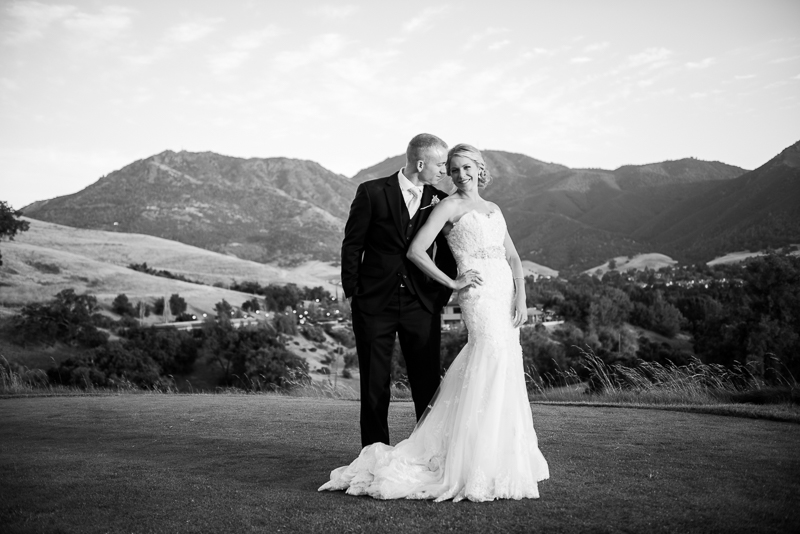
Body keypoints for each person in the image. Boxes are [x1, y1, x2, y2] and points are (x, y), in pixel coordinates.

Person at [320, 144, 549, 502]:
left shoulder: (478, 205)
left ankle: (492, 454)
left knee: (483, 371)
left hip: (483, 297)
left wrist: (520, 296)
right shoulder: (429, 202)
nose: (455, 174)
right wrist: (452, 284)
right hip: (427, 299)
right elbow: (388, 247)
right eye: (450, 167)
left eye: (463, 167)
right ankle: (384, 453)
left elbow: (512, 256)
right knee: (385, 381)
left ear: (480, 168)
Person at [340, 133, 458, 448]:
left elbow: (448, 256)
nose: (444, 171)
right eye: (440, 164)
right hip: (373, 304)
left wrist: (437, 298)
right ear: (420, 163)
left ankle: (428, 452)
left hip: (421, 304)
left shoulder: (440, 199)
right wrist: (354, 292)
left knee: (427, 383)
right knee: (374, 384)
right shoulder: (372, 192)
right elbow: (353, 245)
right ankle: (374, 454)